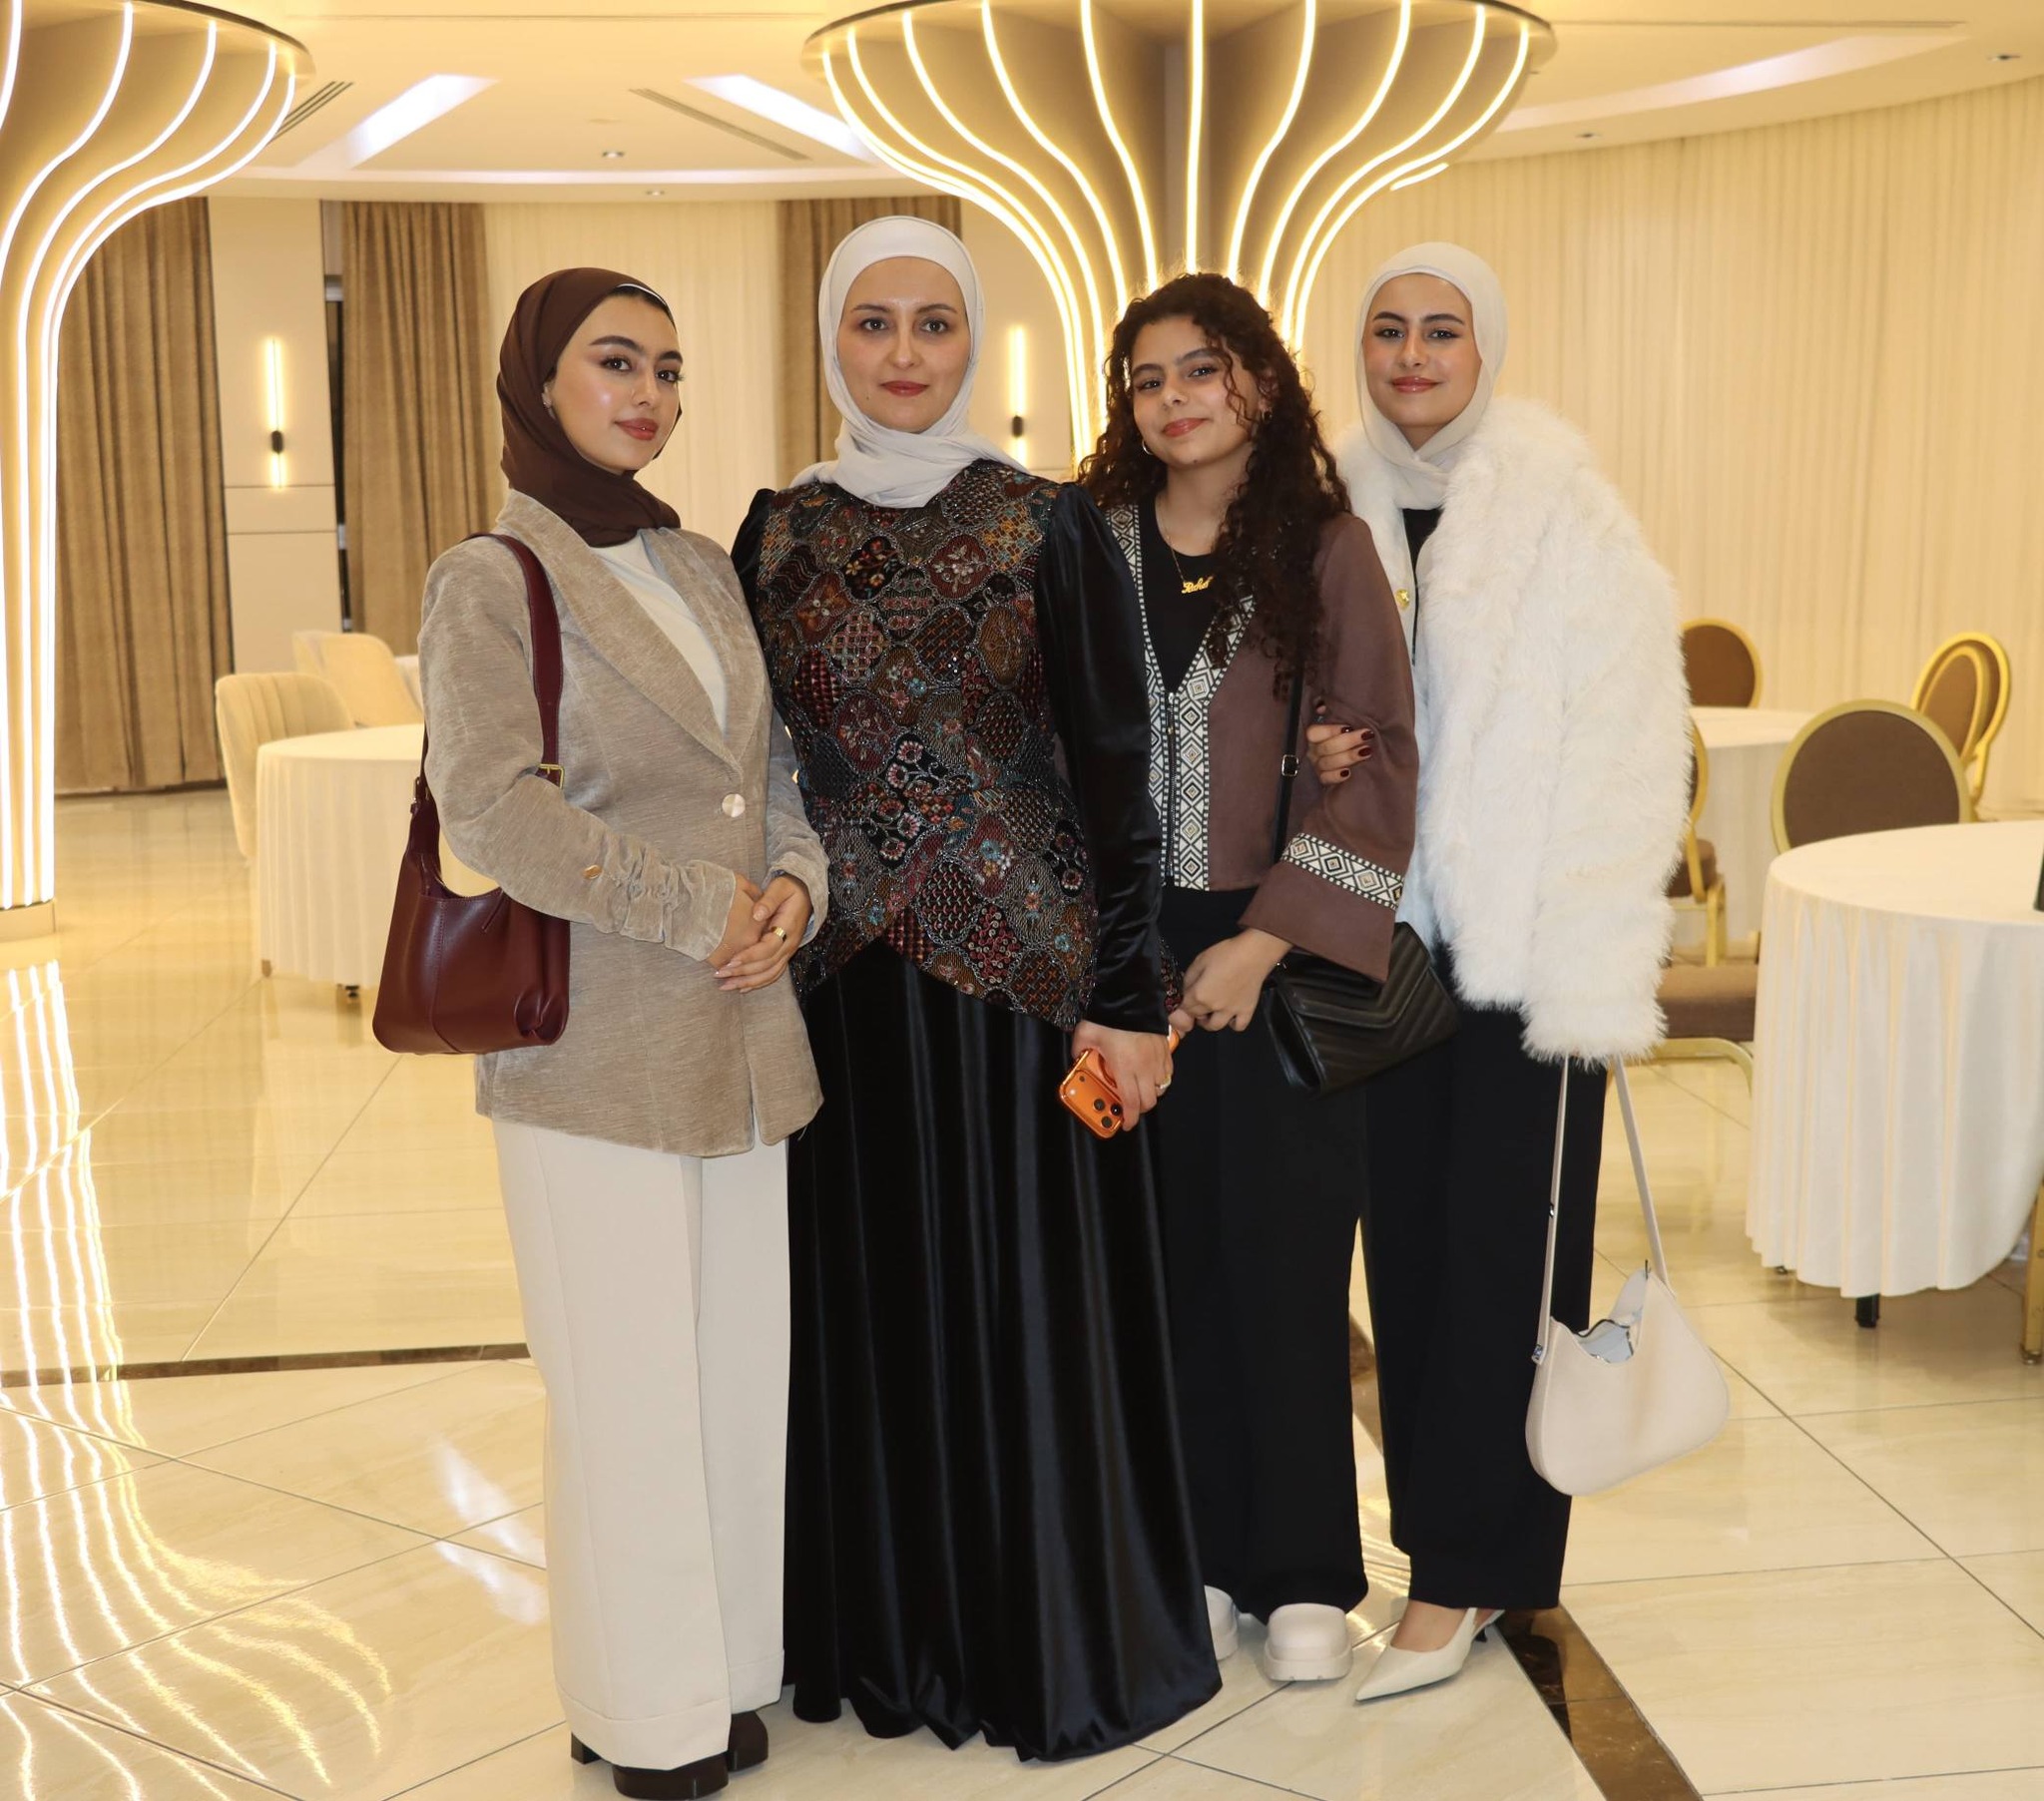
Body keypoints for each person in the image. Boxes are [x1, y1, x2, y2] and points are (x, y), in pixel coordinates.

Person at [731, 217, 1218, 1762]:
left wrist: (1126, 992)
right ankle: (886, 1636)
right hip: (844, 992)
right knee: (866, 1316)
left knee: (1026, 1319)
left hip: (1025, 993)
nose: (903, 352)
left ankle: (1041, 1640)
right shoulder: (775, 532)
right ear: (832, 338)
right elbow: (744, 763)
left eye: (933, 323)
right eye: (872, 321)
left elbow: (1122, 772)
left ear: (974, 342)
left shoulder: (1045, 521)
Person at [418, 267, 826, 1800]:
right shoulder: (489, 576)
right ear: (540, 379)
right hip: (592, 1043)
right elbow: (491, 810)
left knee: (731, 1378)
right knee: (624, 1391)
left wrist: (795, 883)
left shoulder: (702, 565)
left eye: (667, 366)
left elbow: (772, 775)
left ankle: (712, 1673)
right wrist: (695, 902)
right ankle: (645, 1712)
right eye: (614, 361)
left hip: (743, 1030)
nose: (648, 393)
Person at [1306, 243, 1688, 1701]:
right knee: (1403, 1265)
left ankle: (1471, 1571)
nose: (1412, 354)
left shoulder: (1565, 510)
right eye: (1388, 329)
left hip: (1523, 963)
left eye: (1442, 330)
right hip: (1370, 947)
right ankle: (1448, 1553)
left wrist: (1584, 958)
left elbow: (1630, 744)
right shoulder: (1321, 503)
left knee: (1506, 1273)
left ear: (1487, 350)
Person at [1078, 272, 1416, 1685]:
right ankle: (1198, 1561)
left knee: (1284, 1266)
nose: (1175, 399)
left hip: (1275, 956)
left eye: (1202, 370)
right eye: (1148, 378)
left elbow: (1379, 762)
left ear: (1260, 385)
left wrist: (1264, 940)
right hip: (1117, 953)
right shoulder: (1087, 543)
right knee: (1156, 1273)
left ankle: (1302, 1576)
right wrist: (1107, 970)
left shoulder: (1324, 549)